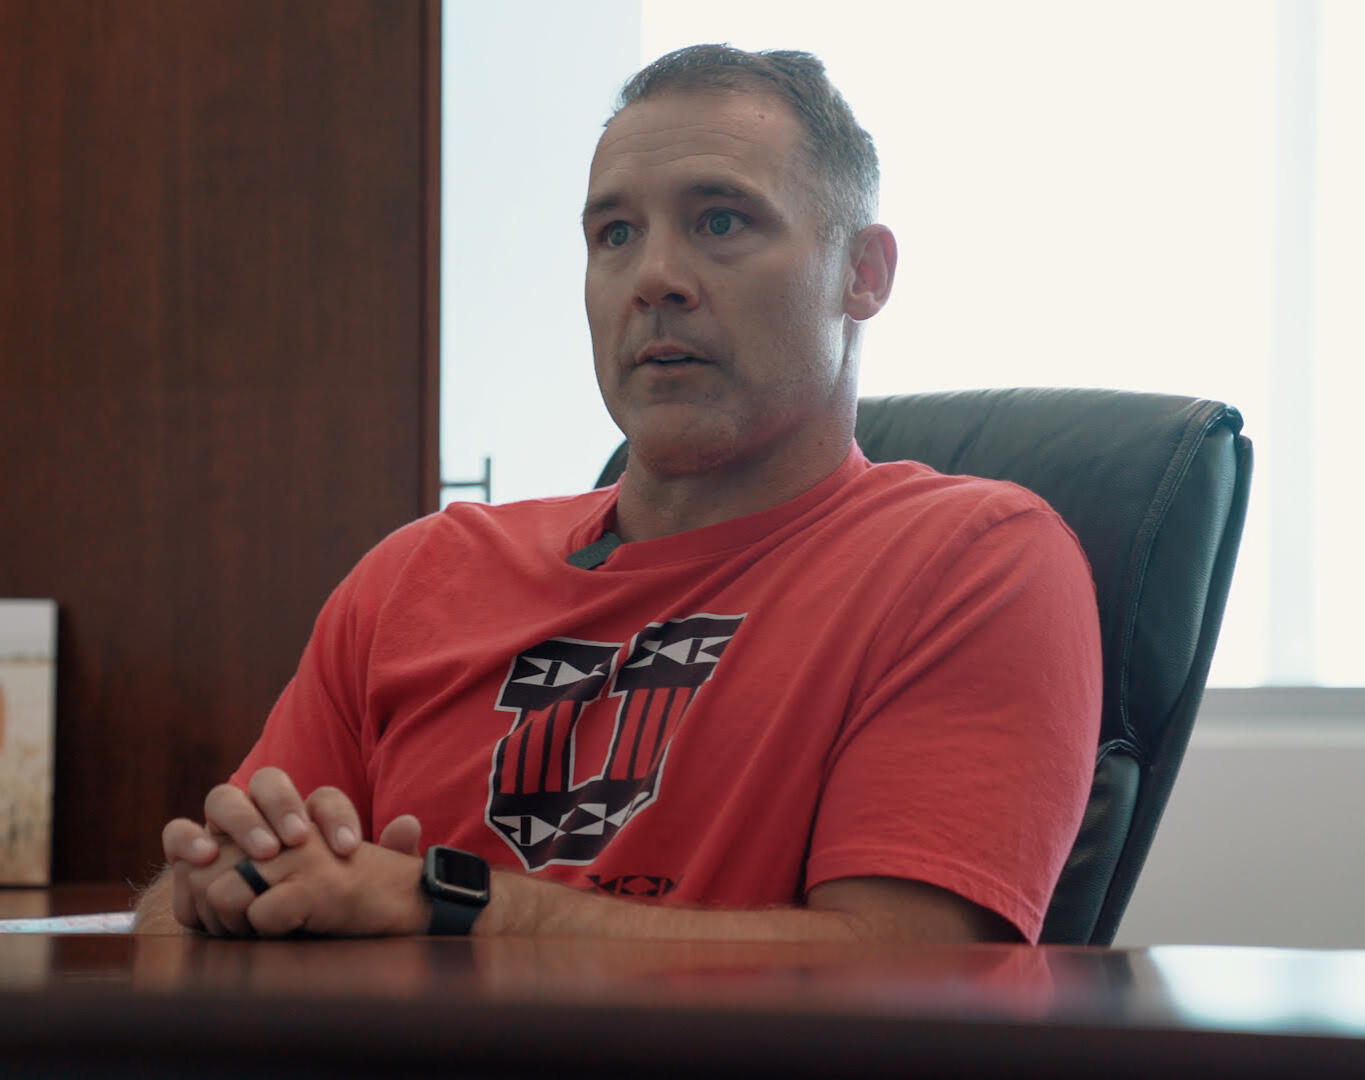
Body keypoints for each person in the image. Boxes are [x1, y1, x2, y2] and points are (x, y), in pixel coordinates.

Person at [135, 45, 1101, 944]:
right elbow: (174, 920)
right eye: (615, 234)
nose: (654, 278)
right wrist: (229, 889)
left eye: (720, 222)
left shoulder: (973, 560)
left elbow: (907, 969)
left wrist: (444, 901)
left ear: (864, 272)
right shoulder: (417, 574)